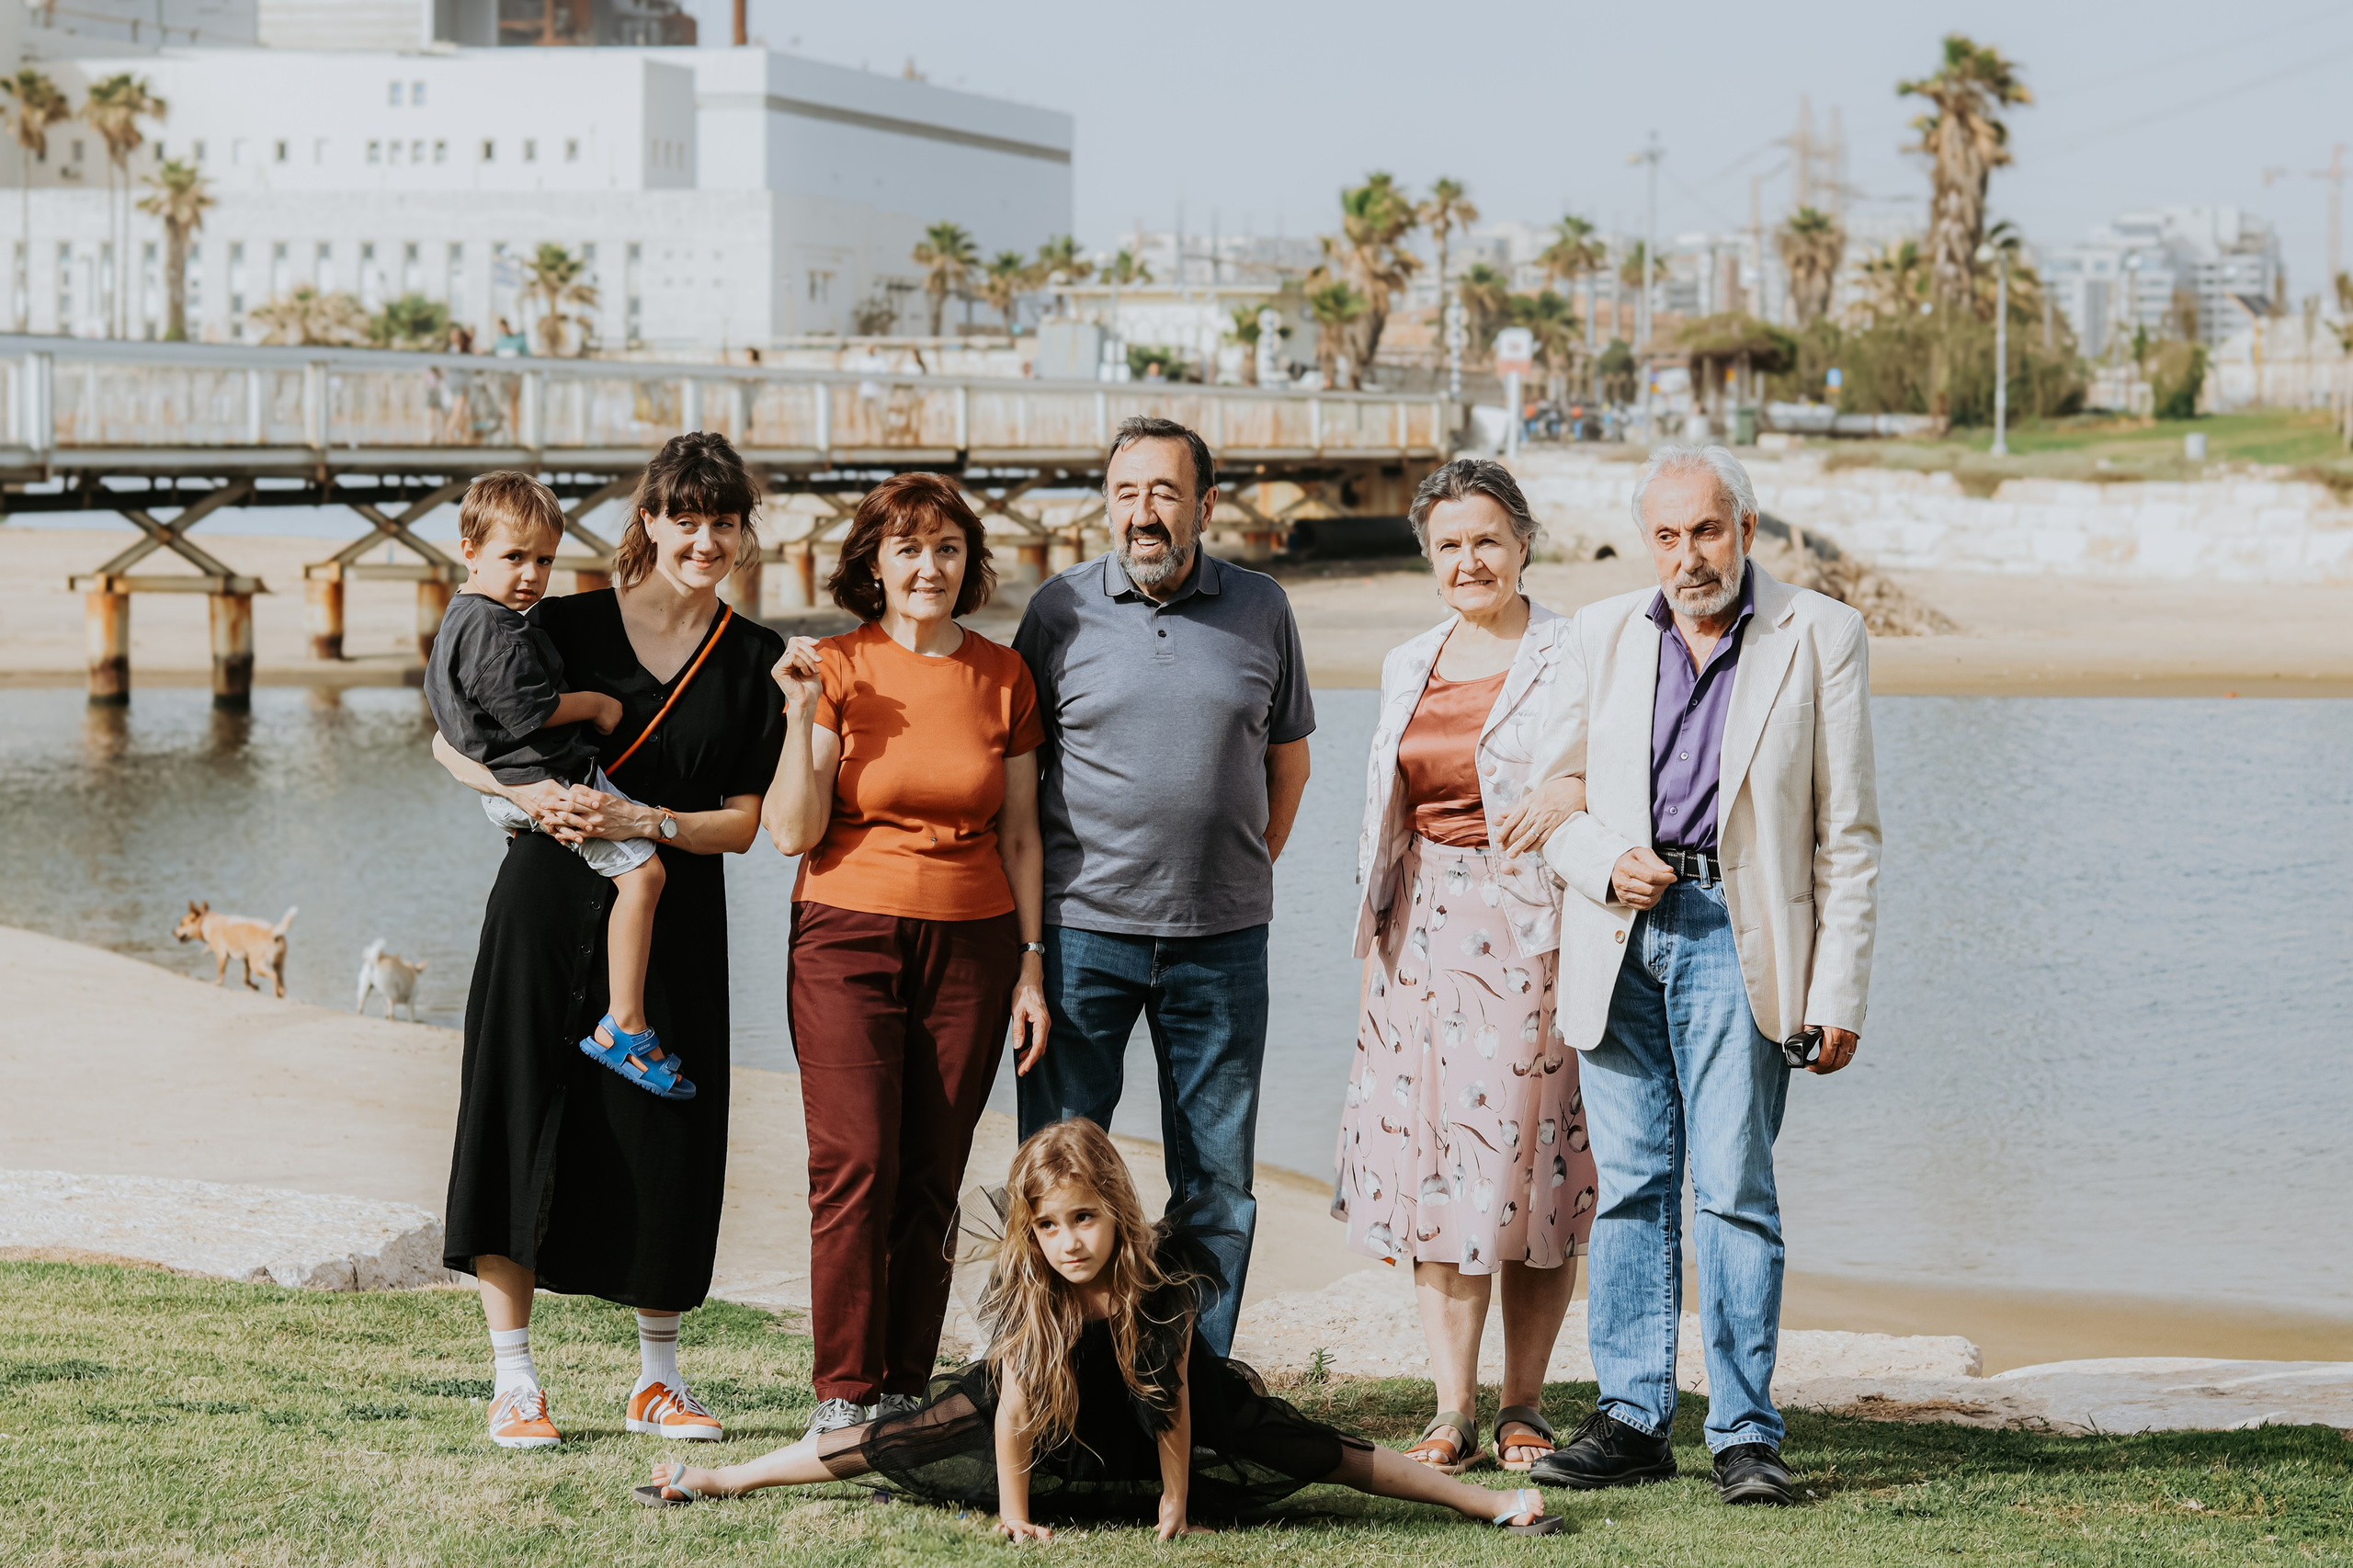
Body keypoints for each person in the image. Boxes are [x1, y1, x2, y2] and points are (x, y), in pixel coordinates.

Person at [628, 1119, 1563, 1538]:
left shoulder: (1158, 1286)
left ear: (1115, 1210)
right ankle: (720, 1476)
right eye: (1049, 1225)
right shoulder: (1034, 1293)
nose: (1069, 1241)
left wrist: (1173, 1502)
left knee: (1318, 1449)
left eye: (1083, 1218)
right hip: (1046, 1412)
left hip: (1167, 1405)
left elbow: (1175, 1404)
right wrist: (1015, 1515)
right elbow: (1011, 1414)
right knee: (891, 1437)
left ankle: (1482, 1503)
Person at [1523, 445, 1880, 1506]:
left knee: (1732, 1187)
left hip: (1741, 936)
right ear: (1648, 542)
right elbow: (1548, 799)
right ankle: (1632, 1417)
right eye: (1668, 536)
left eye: (1708, 531)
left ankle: (1744, 1434)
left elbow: (1848, 834)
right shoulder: (1598, 632)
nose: (1689, 556)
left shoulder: (1820, 633)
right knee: (1631, 1185)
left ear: (1747, 529)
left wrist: (1837, 993)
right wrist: (1603, 859)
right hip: (1619, 934)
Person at [431, 432, 786, 1452]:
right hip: (541, 902)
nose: (704, 541)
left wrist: (645, 822)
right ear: (650, 522)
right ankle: (514, 1381)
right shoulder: (560, 619)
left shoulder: (755, 660)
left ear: (742, 533)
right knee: (514, 1113)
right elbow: (453, 743)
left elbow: (744, 826)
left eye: (723, 523)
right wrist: (531, 795)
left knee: (665, 1136)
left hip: (673, 916)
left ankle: (658, 1380)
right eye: (686, 519)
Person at [1011, 415, 1314, 1358]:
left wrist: (1240, 866)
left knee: (1216, 1180)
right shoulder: (1056, 611)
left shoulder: (1262, 606)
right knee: (1057, 1171)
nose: (1144, 513)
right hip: (1081, 937)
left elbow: (1289, 763)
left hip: (1223, 942)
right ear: (1107, 504)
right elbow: (1019, 781)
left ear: (1205, 505)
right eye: (1127, 492)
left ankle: (1191, 1382)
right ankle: (1058, 1374)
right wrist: (1027, 949)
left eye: (1166, 492)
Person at [762, 472, 1053, 1440]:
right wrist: (801, 716)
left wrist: (1030, 963)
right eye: (909, 549)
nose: (929, 567)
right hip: (845, 936)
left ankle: (899, 1390)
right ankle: (842, 1393)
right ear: (874, 565)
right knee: (855, 1161)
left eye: (947, 549)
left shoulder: (1004, 676)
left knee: (932, 1170)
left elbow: (1021, 836)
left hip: (973, 943)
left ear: (968, 564)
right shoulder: (835, 667)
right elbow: (792, 833)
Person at [1332, 459, 1598, 1477]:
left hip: (1534, 933)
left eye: (1487, 539)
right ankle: (1451, 1409)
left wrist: (1574, 784)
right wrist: (1374, 945)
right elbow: (1386, 812)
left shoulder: (1577, 651)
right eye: (1448, 544)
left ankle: (1523, 1404)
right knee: (1436, 1171)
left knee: (1532, 1171)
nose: (1469, 560)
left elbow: (1633, 763)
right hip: (1417, 938)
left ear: (1524, 543)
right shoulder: (1407, 661)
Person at [423, 472, 688, 1102]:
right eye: (514, 558)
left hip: (513, 787)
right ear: (470, 551)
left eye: (544, 561)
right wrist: (596, 704)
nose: (531, 575)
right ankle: (623, 1025)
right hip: (548, 783)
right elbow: (529, 712)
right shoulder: (497, 631)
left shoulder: (463, 618)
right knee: (645, 877)